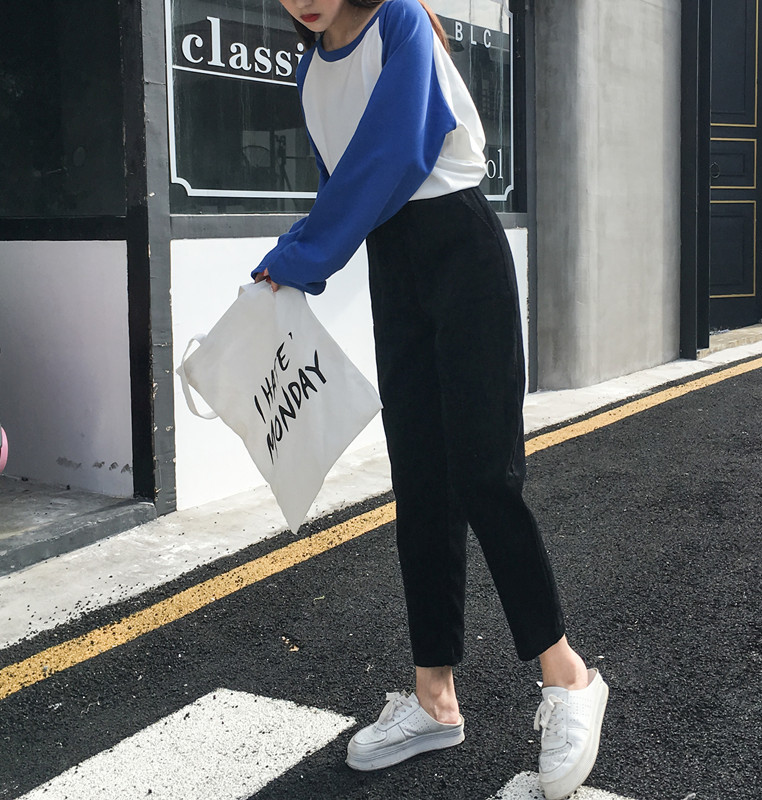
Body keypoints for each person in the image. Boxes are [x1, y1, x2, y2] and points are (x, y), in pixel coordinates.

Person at [252, 0, 608, 796]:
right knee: (420, 484)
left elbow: (395, 154)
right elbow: (343, 187)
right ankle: (434, 700)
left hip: (462, 252)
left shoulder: (402, 22)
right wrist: (293, 260)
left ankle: (569, 676)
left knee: (485, 476)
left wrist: (304, 254)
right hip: (396, 271)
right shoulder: (310, 74)